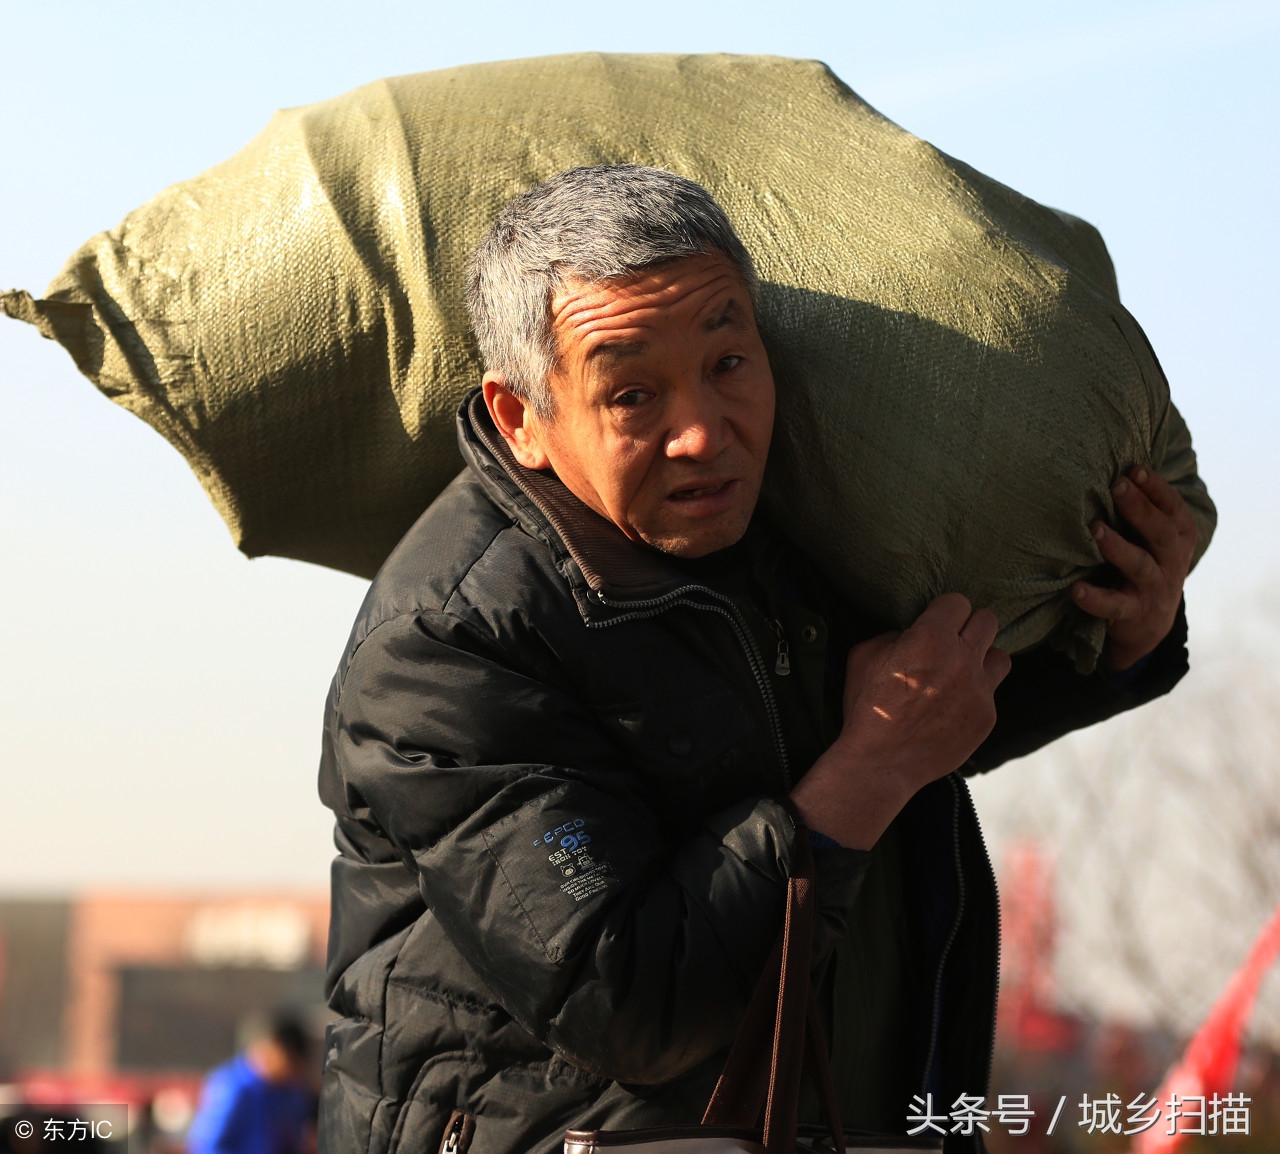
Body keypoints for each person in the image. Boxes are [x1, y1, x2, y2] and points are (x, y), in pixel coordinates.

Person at [317, 166, 1197, 1154]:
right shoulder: (451, 641)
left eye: (728, 363)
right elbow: (630, 995)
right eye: (633, 392)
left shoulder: (786, 538)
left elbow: (925, 719)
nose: (701, 433)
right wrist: (864, 771)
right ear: (523, 416)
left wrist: (1125, 631)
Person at [186, 1012, 316, 1154]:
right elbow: (206, 1147)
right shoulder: (231, 1088)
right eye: (290, 1061)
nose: (292, 1071)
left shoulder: (291, 1093)